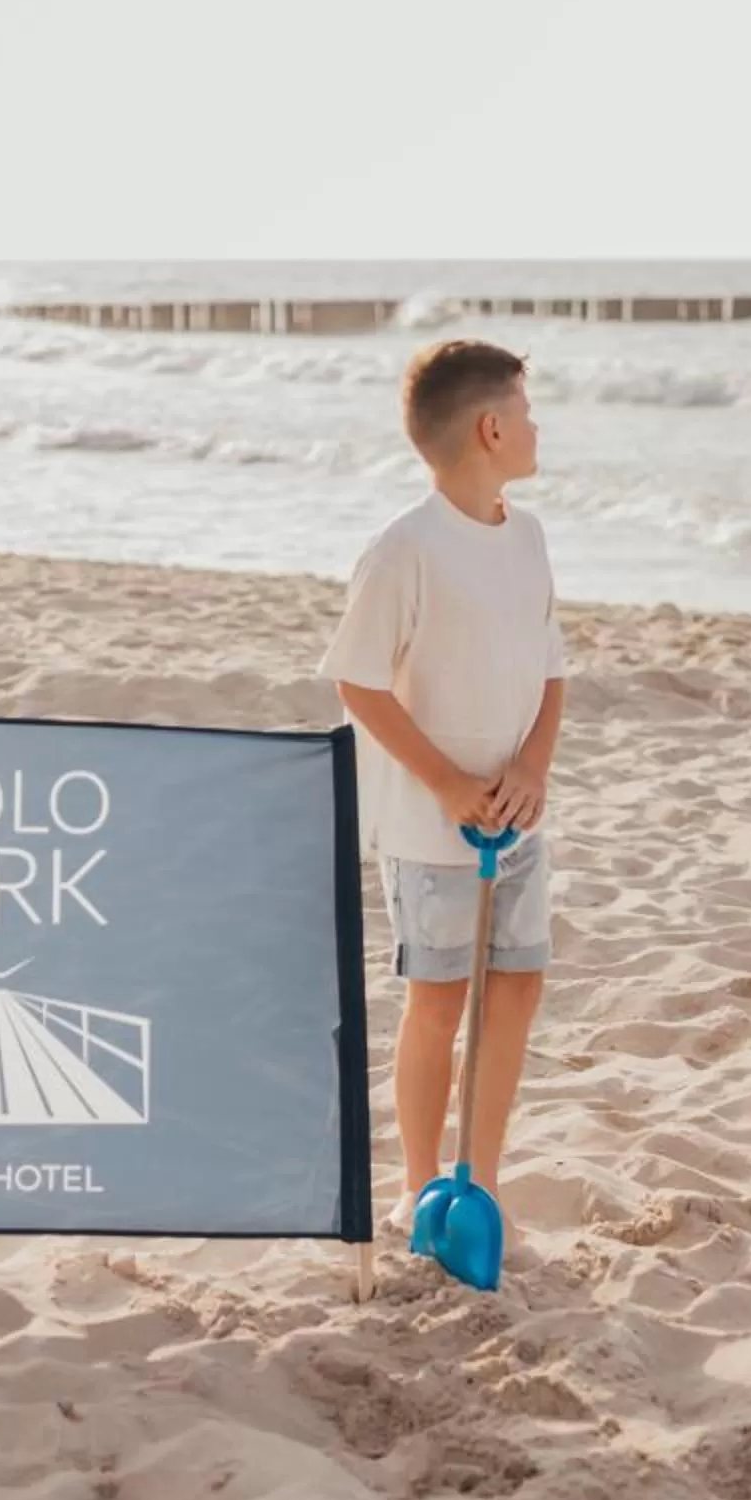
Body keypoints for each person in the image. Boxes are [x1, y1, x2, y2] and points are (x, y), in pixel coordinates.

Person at [320, 340, 568, 1230]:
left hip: (519, 816)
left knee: (517, 984)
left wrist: (531, 767)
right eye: (529, 415)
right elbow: (358, 681)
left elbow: (550, 669)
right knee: (438, 999)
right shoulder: (405, 551)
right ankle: (420, 1185)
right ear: (491, 428)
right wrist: (448, 785)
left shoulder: (528, 537)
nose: (539, 429)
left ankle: (482, 1181)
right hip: (434, 831)